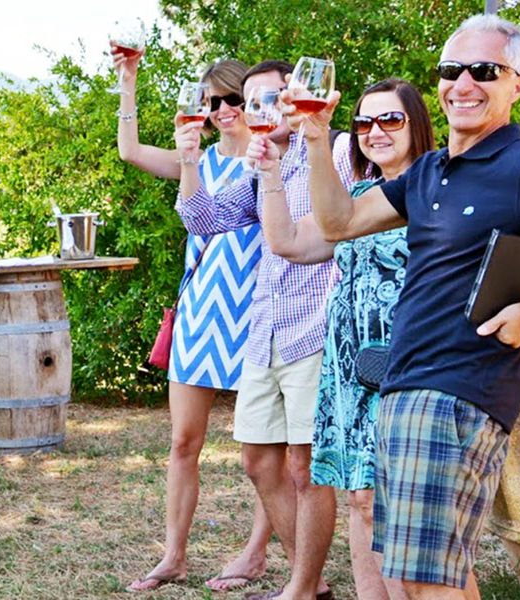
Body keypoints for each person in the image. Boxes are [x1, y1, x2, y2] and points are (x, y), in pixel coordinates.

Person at [289, 14, 520, 600]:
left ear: (518, 84)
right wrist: (318, 138)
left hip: (458, 393)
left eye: (486, 70)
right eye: (453, 71)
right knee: (416, 577)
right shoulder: (429, 171)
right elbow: (338, 221)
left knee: (427, 583)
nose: (465, 84)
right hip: (404, 388)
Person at [176, 59, 356, 600]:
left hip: (317, 325)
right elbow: (205, 219)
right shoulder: (262, 163)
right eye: (252, 102)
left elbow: (364, 214)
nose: (261, 111)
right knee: (259, 461)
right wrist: (189, 161)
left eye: (272, 98)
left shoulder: (341, 149)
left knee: (305, 466)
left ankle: (302, 589)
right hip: (267, 327)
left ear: (295, 95)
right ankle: (312, 582)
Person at [260, 78, 434, 600]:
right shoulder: (356, 198)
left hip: (407, 366)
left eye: (390, 120)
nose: (375, 131)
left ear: (417, 126)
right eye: (364, 122)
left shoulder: (437, 191)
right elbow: (287, 242)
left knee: (395, 508)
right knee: (359, 497)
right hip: (350, 368)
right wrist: (269, 172)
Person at [111, 47, 273, 593]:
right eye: (214, 103)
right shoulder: (197, 162)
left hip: (261, 311)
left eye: (233, 99)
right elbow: (129, 150)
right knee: (183, 441)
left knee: (264, 449)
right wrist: (129, 81)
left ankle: (255, 553)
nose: (225, 110)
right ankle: (173, 556)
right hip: (202, 311)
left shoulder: (274, 155)